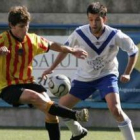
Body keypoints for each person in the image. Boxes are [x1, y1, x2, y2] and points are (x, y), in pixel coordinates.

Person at [42, 2, 138, 140]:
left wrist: (127, 73)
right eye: (91, 19)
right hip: (84, 78)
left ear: (104, 19)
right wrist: (51, 68)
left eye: (97, 20)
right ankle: (78, 132)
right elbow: (64, 50)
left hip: (107, 75)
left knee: (116, 109)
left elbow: (133, 51)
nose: (93, 23)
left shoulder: (115, 35)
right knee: (61, 108)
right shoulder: (79, 33)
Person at [0, 6, 89, 140]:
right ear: (11, 25)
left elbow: (52, 45)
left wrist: (71, 50)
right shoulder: (2, 39)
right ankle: (75, 115)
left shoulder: (32, 40)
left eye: (27, 25)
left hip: (28, 82)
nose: (25, 29)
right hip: (7, 86)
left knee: (50, 112)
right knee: (35, 97)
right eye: (21, 26)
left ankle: (77, 131)